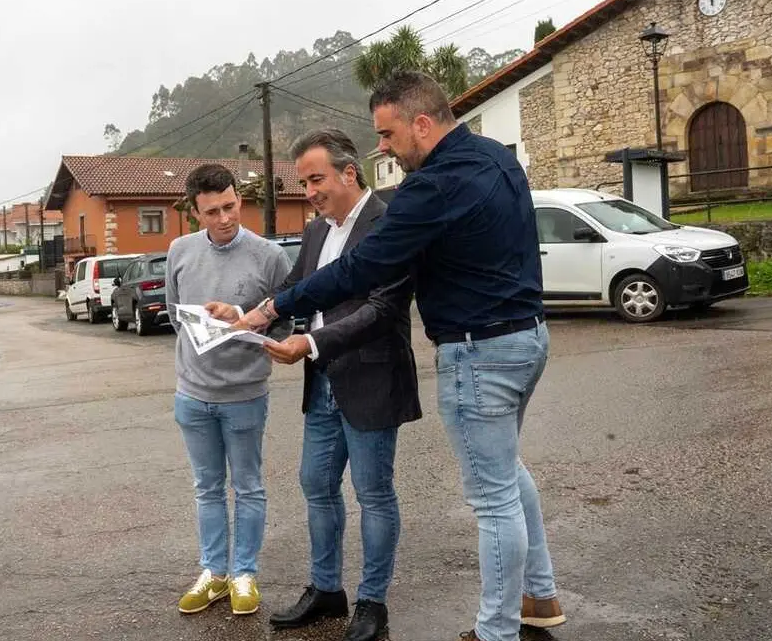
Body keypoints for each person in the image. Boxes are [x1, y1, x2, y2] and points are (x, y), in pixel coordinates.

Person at [232, 71, 565, 641]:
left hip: (478, 351)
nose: (383, 147)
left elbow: (363, 270)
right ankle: (539, 593)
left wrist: (273, 309)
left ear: (422, 124)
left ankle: (497, 632)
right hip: (529, 336)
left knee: (492, 500)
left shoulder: (428, 187)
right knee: (507, 473)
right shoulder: (498, 158)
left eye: (387, 134)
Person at [207, 129, 420, 641]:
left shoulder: (389, 224)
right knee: (317, 487)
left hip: (370, 378)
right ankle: (327, 590)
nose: (309, 192)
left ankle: (372, 602)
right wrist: (243, 314)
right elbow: (293, 291)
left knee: (373, 493)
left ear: (349, 172)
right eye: (303, 183)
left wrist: (311, 343)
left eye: (316, 179)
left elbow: (382, 308)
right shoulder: (317, 231)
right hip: (322, 381)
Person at [165, 163, 291, 617]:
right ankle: (214, 573)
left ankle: (244, 575)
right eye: (212, 211)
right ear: (194, 212)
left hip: (245, 394)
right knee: (207, 488)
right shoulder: (179, 251)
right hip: (192, 394)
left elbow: (287, 321)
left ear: (239, 199)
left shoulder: (269, 256)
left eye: (230, 206)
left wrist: (241, 317)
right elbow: (175, 316)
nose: (224, 218)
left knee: (249, 487)